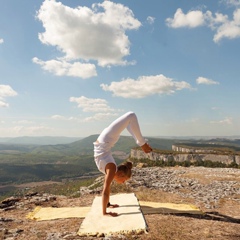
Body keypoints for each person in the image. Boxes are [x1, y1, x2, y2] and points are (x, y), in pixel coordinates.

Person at [93, 111, 152, 217]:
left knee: (130, 121)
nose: (123, 182)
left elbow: (107, 188)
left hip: (105, 140)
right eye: (124, 179)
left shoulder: (111, 170)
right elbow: (105, 191)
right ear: (120, 174)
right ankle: (142, 143)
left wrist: (108, 204)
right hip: (106, 139)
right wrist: (105, 213)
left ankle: (141, 143)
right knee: (131, 115)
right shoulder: (111, 169)